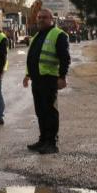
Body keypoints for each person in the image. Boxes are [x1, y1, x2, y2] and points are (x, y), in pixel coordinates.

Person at [23, 8, 71, 154]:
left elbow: (65, 58)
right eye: (39, 17)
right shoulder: (37, 36)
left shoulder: (59, 35)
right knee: (40, 111)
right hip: (37, 80)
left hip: (49, 79)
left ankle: (52, 143)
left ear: (51, 19)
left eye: (44, 17)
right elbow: (31, 57)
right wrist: (27, 75)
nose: (41, 19)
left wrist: (62, 77)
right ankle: (43, 139)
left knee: (50, 111)